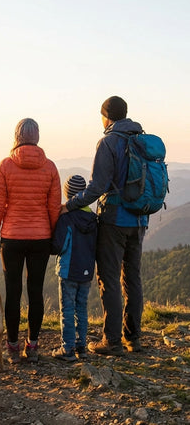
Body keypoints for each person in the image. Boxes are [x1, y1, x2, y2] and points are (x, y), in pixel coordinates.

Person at [64, 96, 148, 355]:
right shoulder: (141, 140)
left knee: (109, 279)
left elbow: (96, 187)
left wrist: (70, 205)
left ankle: (111, 341)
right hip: (140, 219)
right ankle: (132, 338)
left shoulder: (108, 142)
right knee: (132, 278)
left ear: (107, 117)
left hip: (115, 219)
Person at [0, 118, 61, 363]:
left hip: (12, 238)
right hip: (41, 237)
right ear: (37, 137)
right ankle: (33, 346)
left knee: (13, 293)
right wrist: (52, 236)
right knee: (36, 292)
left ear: (17, 136)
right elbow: (53, 207)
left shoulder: (6, 165)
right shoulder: (50, 167)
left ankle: (12, 348)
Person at [51, 175, 97, 362]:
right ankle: (81, 346)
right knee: (82, 308)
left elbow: (58, 247)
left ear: (67, 194)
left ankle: (67, 348)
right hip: (86, 271)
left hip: (68, 270)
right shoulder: (93, 218)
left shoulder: (66, 218)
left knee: (67, 310)